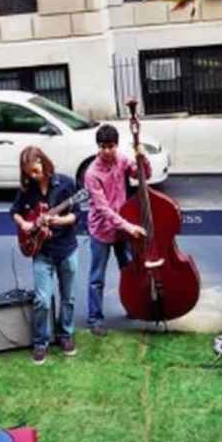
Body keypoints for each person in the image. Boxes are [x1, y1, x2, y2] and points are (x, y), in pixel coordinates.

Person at [10, 147, 80, 365]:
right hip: (41, 251)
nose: (33, 175)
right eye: (28, 172)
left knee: (68, 297)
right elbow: (14, 211)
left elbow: (76, 215)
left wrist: (59, 220)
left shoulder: (67, 184)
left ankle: (65, 335)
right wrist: (26, 224)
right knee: (42, 300)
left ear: (44, 162)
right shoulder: (27, 189)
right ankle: (41, 341)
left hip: (66, 248)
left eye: (35, 170)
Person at [84, 124, 148, 337]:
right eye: (103, 147)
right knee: (97, 279)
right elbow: (103, 209)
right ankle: (95, 319)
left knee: (129, 271)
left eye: (110, 146)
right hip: (102, 231)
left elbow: (143, 176)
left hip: (122, 230)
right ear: (98, 147)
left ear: (116, 145)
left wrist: (142, 158)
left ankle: (132, 307)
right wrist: (129, 226)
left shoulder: (121, 159)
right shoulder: (92, 173)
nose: (107, 151)